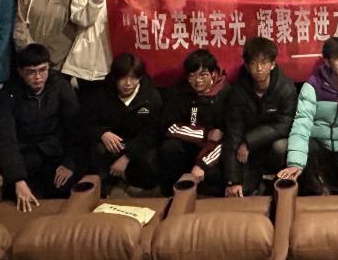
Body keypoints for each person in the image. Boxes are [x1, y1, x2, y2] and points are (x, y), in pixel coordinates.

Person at [0, 43, 82, 210]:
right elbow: (4, 138)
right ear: (20, 72)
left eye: (42, 70)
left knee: (65, 189)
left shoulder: (60, 86)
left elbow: (75, 128)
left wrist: (70, 163)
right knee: (18, 199)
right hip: (24, 155)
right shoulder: (8, 94)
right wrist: (18, 179)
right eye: (31, 72)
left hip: (53, 153)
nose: (38, 77)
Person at [278, 37, 338, 195]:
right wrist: (295, 163)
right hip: (318, 142)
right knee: (305, 149)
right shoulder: (313, 86)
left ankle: (329, 184)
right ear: (327, 62)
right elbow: (302, 123)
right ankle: (317, 187)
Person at [222, 37, 297, 197]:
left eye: (264, 62)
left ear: (273, 64)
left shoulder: (285, 88)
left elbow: (284, 125)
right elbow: (233, 134)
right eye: (254, 63)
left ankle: (275, 178)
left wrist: (249, 141)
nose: (259, 68)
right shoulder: (237, 92)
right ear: (247, 66)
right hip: (248, 153)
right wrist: (233, 180)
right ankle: (256, 179)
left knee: (281, 146)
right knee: (241, 191)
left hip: (270, 146)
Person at [85, 53, 162, 192]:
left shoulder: (151, 97)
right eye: (123, 78)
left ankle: (128, 177)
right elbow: (85, 123)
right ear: (115, 77)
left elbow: (152, 133)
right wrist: (102, 133)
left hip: (137, 146)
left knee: (150, 166)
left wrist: (127, 156)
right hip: (112, 145)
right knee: (97, 150)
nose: (128, 83)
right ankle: (103, 187)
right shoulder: (100, 94)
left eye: (134, 78)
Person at [63, 0, 130, 105]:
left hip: (111, 53)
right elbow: (79, 19)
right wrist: (95, 1)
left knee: (111, 104)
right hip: (86, 54)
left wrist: (128, 6)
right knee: (88, 104)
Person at [158, 49, 227, 196]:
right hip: (187, 145)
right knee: (169, 148)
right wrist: (204, 134)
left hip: (212, 150)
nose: (197, 80)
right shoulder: (178, 91)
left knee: (215, 175)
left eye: (203, 75)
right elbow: (169, 126)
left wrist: (202, 164)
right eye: (192, 75)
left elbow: (225, 137)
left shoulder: (226, 94)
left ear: (213, 74)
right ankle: (170, 195)